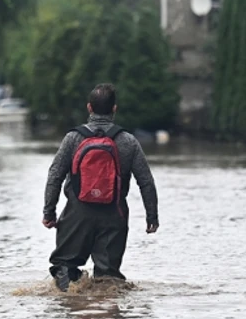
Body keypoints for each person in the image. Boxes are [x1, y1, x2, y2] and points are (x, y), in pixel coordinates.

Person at [42, 83, 159, 291]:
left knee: (64, 269)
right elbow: (146, 182)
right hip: (114, 215)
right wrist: (152, 217)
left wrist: (49, 212)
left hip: (77, 214)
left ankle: (73, 311)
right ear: (114, 109)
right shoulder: (128, 141)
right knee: (108, 280)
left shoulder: (73, 138)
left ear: (89, 108)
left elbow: (55, 175)